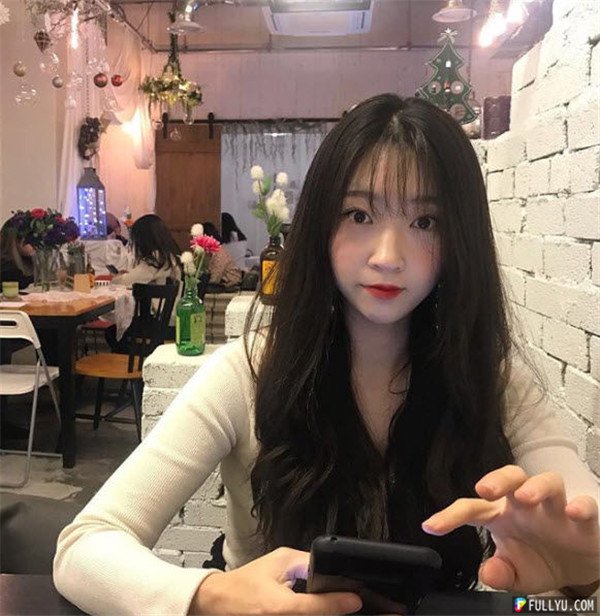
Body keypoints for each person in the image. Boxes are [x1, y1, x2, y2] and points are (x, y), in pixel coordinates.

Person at [54, 95, 599, 615]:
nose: (388, 257)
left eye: (424, 222)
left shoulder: (493, 381)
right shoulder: (248, 374)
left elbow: (580, 514)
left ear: (461, 238)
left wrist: (584, 580)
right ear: (320, 223)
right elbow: (84, 546)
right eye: (359, 215)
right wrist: (209, 597)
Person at [105, 214, 181, 351]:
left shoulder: (156, 259)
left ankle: (137, 359)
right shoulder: (169, 256)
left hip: (160, 323)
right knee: (116, 332)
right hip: (171, 319)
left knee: (112, 332)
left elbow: (126, 282)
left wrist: (117, 277)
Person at [202, 221, 243, 289]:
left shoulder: (220, 254)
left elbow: (214, 279)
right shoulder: (213, 252)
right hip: (223, 285)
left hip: (231, 287)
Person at [0, 216, 35, 290]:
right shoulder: (6, 266)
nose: (36, 245)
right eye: (33, 239)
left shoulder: (26, 259)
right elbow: (21, 283)